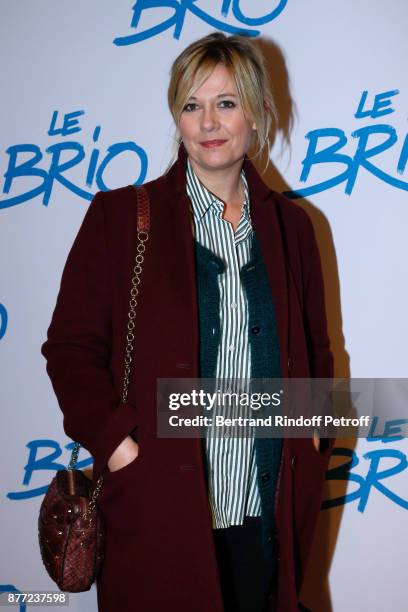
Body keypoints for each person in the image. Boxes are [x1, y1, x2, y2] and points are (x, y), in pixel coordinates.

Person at [41, 32, 334, 612]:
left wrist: (316, 433)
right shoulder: (122, 217)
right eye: (191, 104)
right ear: (176, 116)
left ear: (256, 111)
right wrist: (118, 446)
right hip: (161, 510)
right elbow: (71, 350)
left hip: (266, 508)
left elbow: (317, 352)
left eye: (226, 102)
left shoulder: (293, 228)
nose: (209, 121)